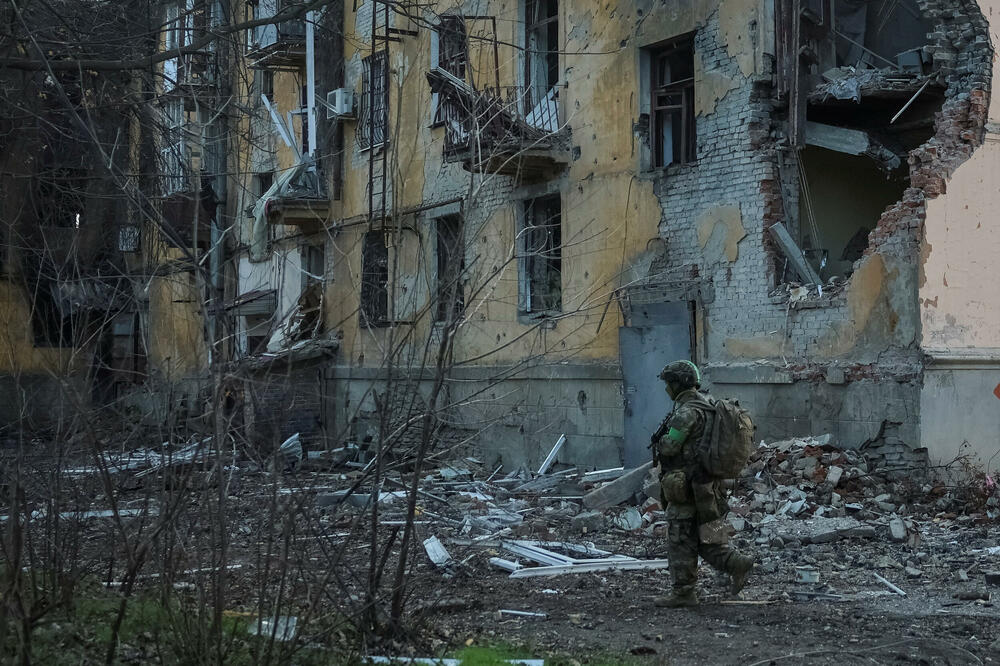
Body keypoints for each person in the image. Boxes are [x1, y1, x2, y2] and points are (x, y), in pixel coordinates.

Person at [652, 360, 754, 608]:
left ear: (679, 383)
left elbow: (670, 446)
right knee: (708, 537)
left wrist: (661, 441)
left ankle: (683, 593)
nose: (667, 388)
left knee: (680, 538)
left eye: (669, 383)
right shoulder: (709, 404)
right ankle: (737, 563)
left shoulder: (686, 412)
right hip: (710, 487)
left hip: (686, 488)